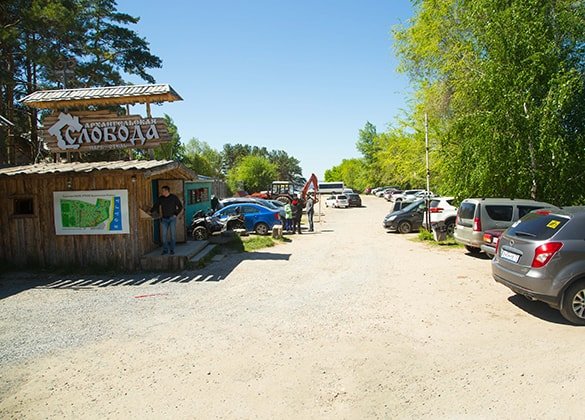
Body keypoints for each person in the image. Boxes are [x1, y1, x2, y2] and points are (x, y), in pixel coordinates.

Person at [151, 185, 183, 255]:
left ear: (167, 191)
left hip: (172, 218)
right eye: (162, 191)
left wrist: (176, 214)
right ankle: (165, 250)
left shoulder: (174, 197)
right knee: (164, 236)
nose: (162, 192)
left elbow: (180, 206)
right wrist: (150, 212)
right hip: (164, 219)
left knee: (173, 235)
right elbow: (155, 206)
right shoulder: (161, 198)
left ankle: (172, 250)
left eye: (163, 191)